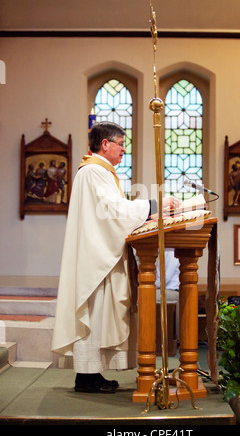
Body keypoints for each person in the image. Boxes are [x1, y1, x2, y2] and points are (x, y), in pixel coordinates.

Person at [51, 121, 180, 394]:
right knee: (94, 314)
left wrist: (150, 215)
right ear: (104, 144)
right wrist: (153, 205)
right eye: (120, 144)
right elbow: (112, 211)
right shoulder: (93, 171)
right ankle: (85, 378)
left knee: (100, 317)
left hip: (101, 255)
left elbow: (114, 212)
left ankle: (92, 374)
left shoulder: (101, 172)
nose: (123, 149)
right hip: (96, 261)